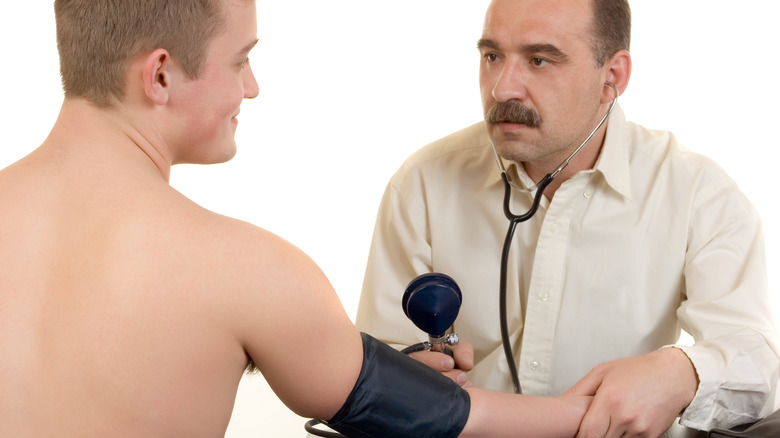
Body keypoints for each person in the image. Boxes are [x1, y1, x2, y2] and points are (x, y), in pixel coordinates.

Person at [0, 1, 597, 437]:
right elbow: (448, 419)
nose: (252, 88)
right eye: (240, 61)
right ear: (160, 75)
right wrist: (593, 407)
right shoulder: (245, 270)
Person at [356, 0, 780, 437]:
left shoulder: (697, 193)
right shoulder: (422, 183)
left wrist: (682, 371)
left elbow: (757, 362)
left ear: (611, 78)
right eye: (492, 57)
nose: (503, 89)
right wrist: (401, 379)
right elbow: (372, 361)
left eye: (539, 60)